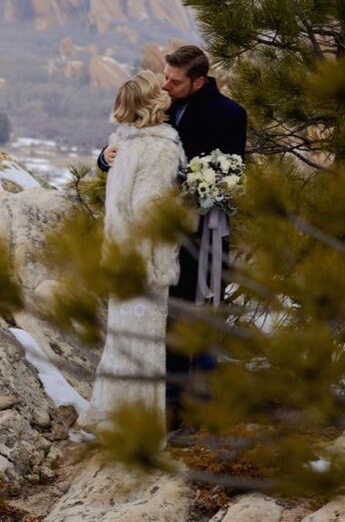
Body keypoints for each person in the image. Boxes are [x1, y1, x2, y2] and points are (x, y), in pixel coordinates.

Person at [97, 45, 247, 416]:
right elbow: (128, 152)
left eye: (174, 80)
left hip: (201, 235)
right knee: (169, 319)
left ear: (198, 81)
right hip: (158, 240)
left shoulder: (229, 115)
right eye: (164, 76)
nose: (166, 84)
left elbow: (231, 175)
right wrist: (104, 157)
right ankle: (169, 403)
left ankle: (201, 402)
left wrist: (200, 190)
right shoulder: (160, 109)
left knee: (202, 313)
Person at [79, 70, 184, 431]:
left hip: (122, 255)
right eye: (160, 88)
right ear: (154, 103)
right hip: (145, 260)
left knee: (122, 342)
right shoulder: (160, 149)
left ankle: (114, 415)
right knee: (144, 347)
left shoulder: (124, 142)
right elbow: (149, 212)